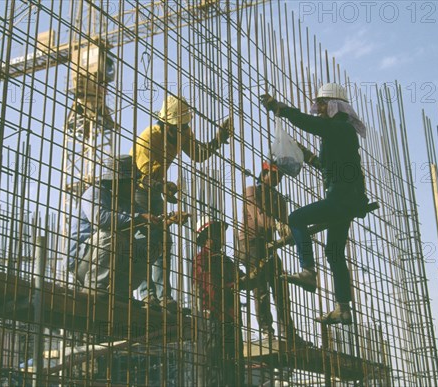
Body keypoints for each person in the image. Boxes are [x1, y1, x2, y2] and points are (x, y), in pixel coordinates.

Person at [260, 83, 370, 325]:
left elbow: (312, 124)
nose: (318, 109)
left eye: (321, 104)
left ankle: (308, 271)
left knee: (296, 218)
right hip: (345, 199)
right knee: (334, 252)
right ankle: (343, 308)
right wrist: (306, 154)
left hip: (340, 200)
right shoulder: (339, 134)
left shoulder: (340, 128)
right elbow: (329, 166)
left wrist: (281, 109)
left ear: (334, 106)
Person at [130, 95, 233, 309]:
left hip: (155, 190)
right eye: (179, 127)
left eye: (185, 126)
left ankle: (162, 295)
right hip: (137, 190)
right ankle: (146, 294)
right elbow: (145, 177)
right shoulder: (149, 138)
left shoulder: (182, 133)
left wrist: (218, 139)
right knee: (144, 238)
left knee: (163, 241)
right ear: (166, 124)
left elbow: (198, 154)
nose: (183, 131)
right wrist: (165, 187)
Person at [68, 155, 188, 301]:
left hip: (107, 259)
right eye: (133, 181)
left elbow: (145, 225)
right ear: (120, 180)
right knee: (110, 233)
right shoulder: (95, 192)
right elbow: (101, 218)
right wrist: (138, 217)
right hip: (82, 262)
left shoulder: (125, 200)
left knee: (153, 245)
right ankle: (95, 286)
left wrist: (164, 222)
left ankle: (121, 292)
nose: (136, 186)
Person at [237, 161, 308, 346]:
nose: (278, 179)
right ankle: (267, 331)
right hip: (251, 242)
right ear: (264, 174)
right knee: (260, 288)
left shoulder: (279, 199)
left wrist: (289, 231)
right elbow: (259, 217)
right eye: (275, 175)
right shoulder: (252, 191)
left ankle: (288, 332)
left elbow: (285, 223)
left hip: (268, 245)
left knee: (281, 284)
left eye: (281, 177)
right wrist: (277, 224)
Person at [194, 216, 245, 386]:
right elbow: (211, 290)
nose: (223, 238)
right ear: (208, 235)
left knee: (234, 366)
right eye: (219, 233)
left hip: (230, 319)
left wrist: (251, 275)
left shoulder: (224, 260)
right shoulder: (202, 259)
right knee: (216, 367)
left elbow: (242, 278)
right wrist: (234, 284)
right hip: (215, 318)